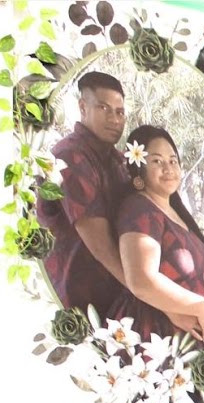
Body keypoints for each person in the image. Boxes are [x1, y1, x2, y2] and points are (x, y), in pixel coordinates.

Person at [109, 125, 204, 343]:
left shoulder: (178, 216)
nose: (168, 168)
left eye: (173, 161)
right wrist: (200, 307)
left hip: (188, 342)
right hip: (152, 337)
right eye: (157, 161)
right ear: (139, 169)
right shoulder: (139, 209)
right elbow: (141, 281)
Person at [36, 71, 130, 321]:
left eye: (120, 112)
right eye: (104, 108)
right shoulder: (69, 156)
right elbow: (101, 246)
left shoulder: (118, 161)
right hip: (75, 306)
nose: (114, 119)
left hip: (115, 301)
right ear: (82, 107)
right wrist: (153, 297)